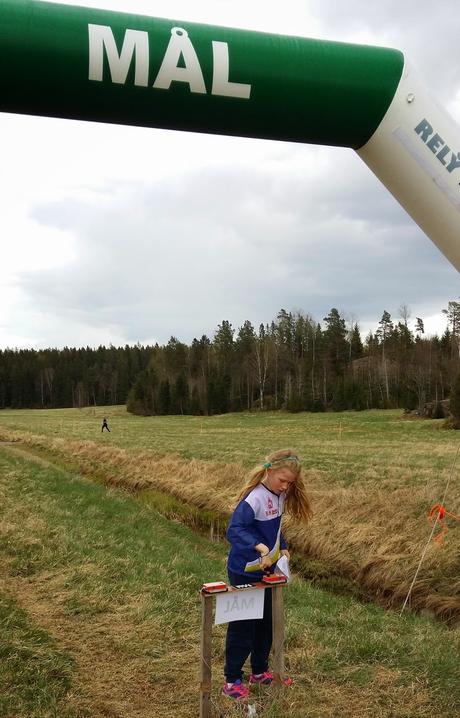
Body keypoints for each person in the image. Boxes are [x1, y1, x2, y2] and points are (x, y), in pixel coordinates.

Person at [222, 449, 312, 701]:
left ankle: (259, 671)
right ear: (269, 471)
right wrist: (257, 546)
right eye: (282, 480)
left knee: (266, 625)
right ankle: (231, 680)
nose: (285, 487)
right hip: (244, 571)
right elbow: (234, 529)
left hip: (268, 570)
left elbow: (274, 526)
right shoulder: (254, 498)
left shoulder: (278, 495)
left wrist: (281, 544)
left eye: (290, 483)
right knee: (243, 627)